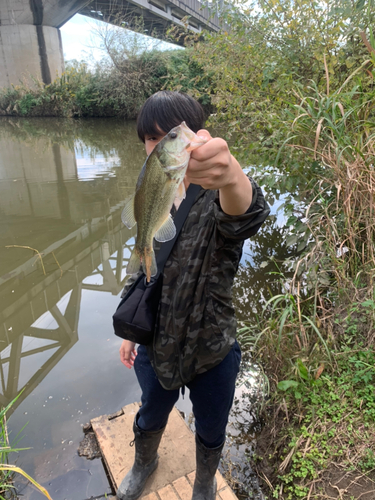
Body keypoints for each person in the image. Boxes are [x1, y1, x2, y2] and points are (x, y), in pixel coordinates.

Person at [117, 91, 270, 500]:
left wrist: (233, 176)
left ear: (195, 135)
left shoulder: (219, 191)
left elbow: (245, 213)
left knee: (211, 426)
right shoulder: (153, 191)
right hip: (157, 345)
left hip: (212, 348)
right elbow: (143, 269)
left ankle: (204, 483)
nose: (155, 145)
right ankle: (144, 461)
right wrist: (131, 330)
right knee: (150, 413)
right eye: (149, 139)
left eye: (165, 136)